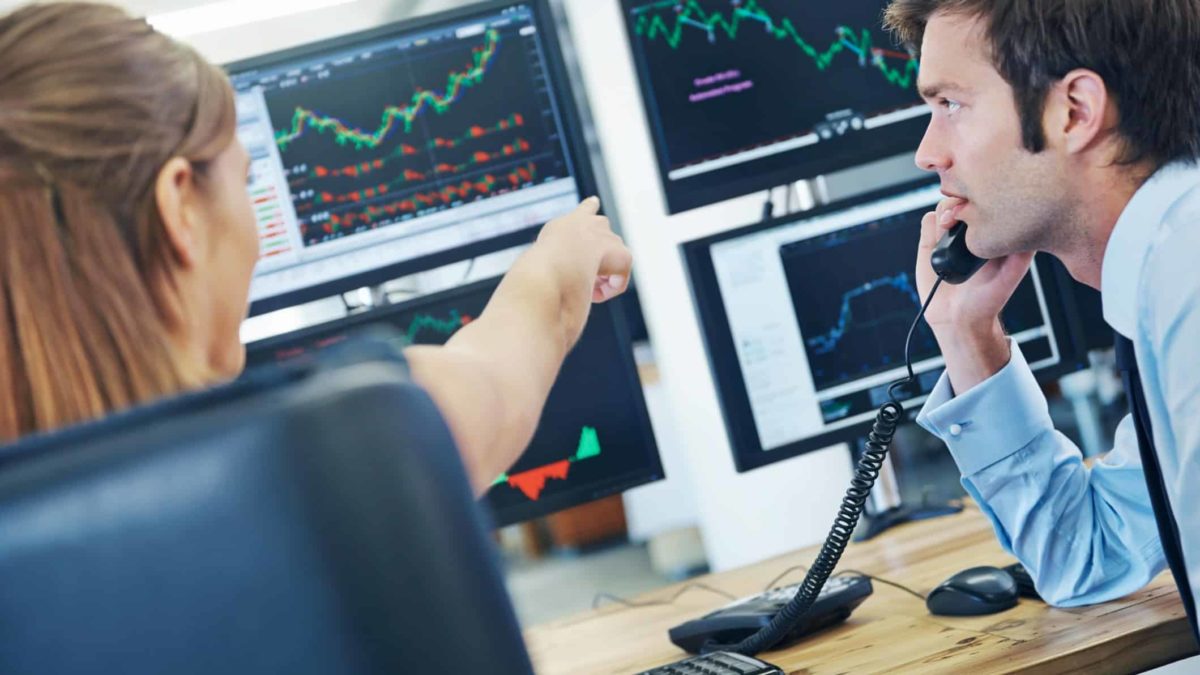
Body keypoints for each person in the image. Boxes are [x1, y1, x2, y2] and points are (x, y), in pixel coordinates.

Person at [0, 2, 632, 495]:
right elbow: (497, 385)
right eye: (245, 182)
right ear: (181, 209)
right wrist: (560, 259)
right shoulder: (329, 447)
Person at [882, 0, 1200, 634]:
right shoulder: (1168, 268)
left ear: (1074, 111)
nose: (928, 153)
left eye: (951, 104)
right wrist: (967, 335)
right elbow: (1088, 557)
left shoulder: (1187, 274)